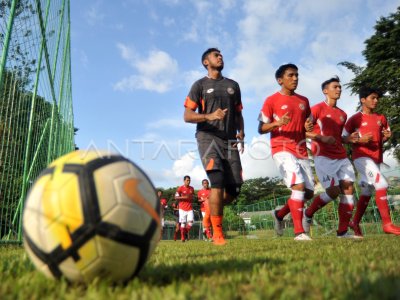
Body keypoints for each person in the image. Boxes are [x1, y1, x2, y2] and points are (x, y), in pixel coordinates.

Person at [183, 48, 244, 246]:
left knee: (234, 189)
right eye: (216, 55)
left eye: (221, 55)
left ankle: (210, 208)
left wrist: (240, 133)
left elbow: (238, 113)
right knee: (216, 180)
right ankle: (217, 233)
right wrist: (209, 116)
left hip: (229, 141)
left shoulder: (233, 85)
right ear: (205, 62)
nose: (220, 57)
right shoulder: (199, 85)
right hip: (207, 137)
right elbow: (187, 115)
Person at [258, 63, 314, 241]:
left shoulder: (304, 101)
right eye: (291, 75)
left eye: (297, 75)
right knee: (298, 185)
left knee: (308, 193)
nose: (295, 78)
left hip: (301, 149)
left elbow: (307, 124)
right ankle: (299, 232)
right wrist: (277, 123)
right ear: (280, 80)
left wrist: (308, 126)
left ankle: (279, 215)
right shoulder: (271, 100)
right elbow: (261, 128)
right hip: (281, 148)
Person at [302, 76, 359, 238]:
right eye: (335, 87)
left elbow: (338, 136)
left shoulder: (343, 114)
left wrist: (347, 139)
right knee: (333, 191)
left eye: (340, 87)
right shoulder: (316, 109)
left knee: (348, 190)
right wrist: (321, 138)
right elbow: (303, 130)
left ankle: (342, 232)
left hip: (341, 156)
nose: (339, 89)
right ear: (325, 91)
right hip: (323, 156)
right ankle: (308, 213)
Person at [343, 86, 400, 236]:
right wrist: (359, 140)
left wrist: (386, 137)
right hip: (361, 158)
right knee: (382, 184)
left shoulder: (381, 118)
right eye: (372, 98)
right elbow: (344, 138)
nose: (376, 100)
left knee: (367, 191)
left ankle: (354, 222)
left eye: (377, 98)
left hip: (375, 159)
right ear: (363, 100)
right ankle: (387, 224)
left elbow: (384, 136)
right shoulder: (355, 118)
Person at [175, 175, 195, 242]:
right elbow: (176, 197)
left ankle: (184, 232)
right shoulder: (180, 188)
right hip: (182, 208)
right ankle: (183, 237)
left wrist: (192, 198)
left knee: (191, 222)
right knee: (183, 223)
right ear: (184, 181)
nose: (188, 181)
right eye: (187, 180)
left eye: (189, 180)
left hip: (189, 208)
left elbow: (192, 196)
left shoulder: (192, 188)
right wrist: (184, 197)